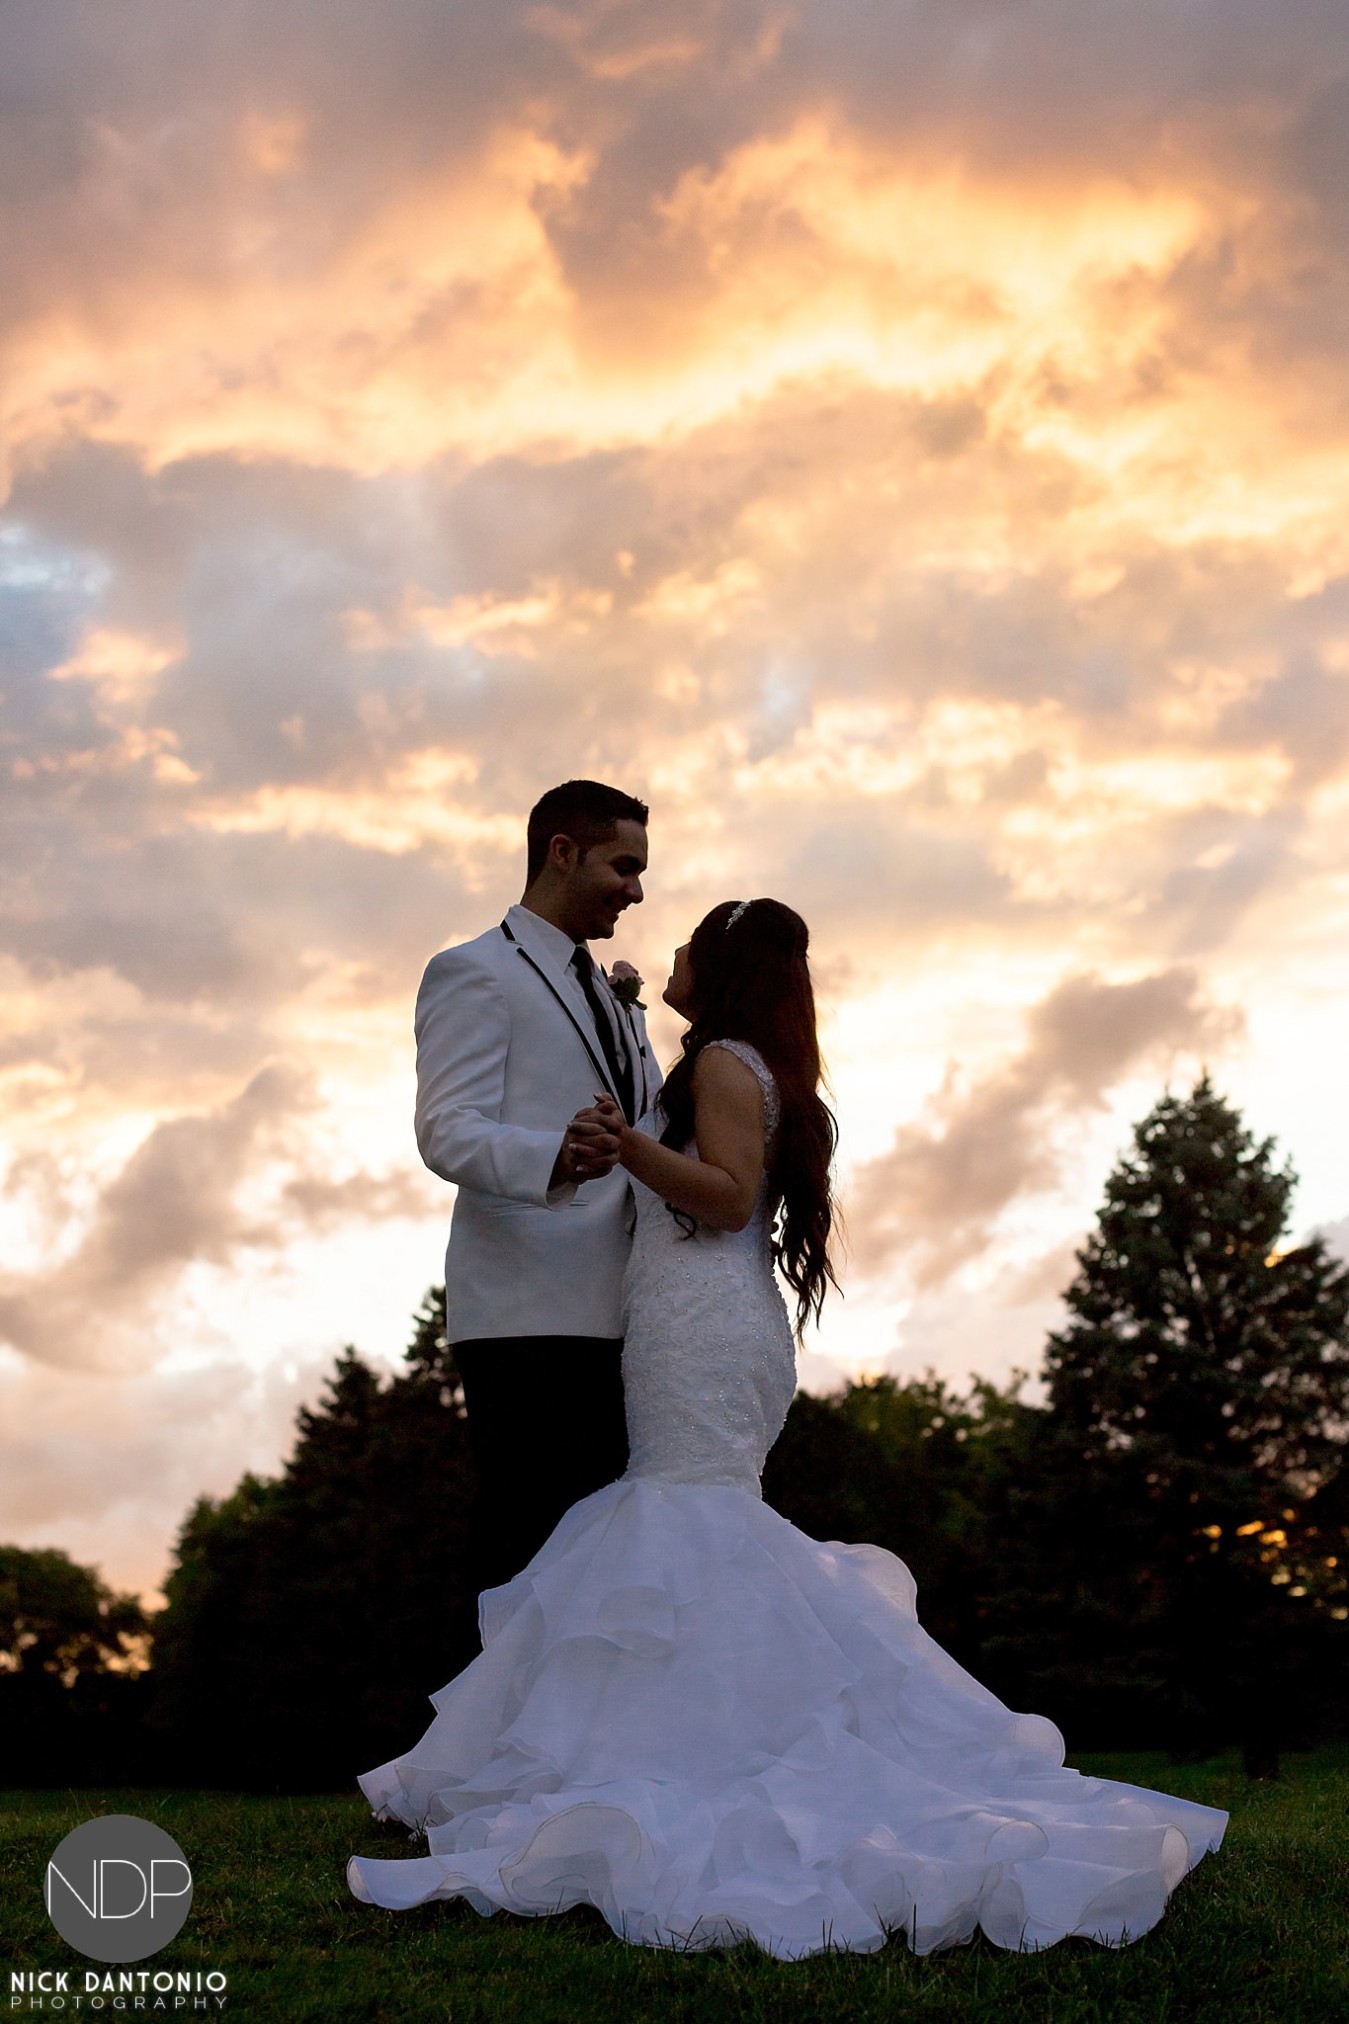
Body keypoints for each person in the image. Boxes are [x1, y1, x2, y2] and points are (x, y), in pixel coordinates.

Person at [351, 899, 1227, 1958]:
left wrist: (625, 1141)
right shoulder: (734, 1059)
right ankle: (696, 1742)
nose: (664, 954)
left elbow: (722, 1199)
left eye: (686, 946)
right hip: (701, 1320)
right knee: (693, 1538)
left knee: (685, 1528)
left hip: (701, 1328)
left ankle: (698, 1759)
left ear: (721, 968)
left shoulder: (723, 1060)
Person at [412, 778, 655, 1592]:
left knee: (610, 1570)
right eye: (622, 866)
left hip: (636, 1315)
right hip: (531, 1318)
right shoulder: (472, 972)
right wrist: (555, 1155)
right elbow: (446, 1129)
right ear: (562, 852)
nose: (637, 889)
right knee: (531, 1560)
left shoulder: (619, 999)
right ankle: (495, 1721)